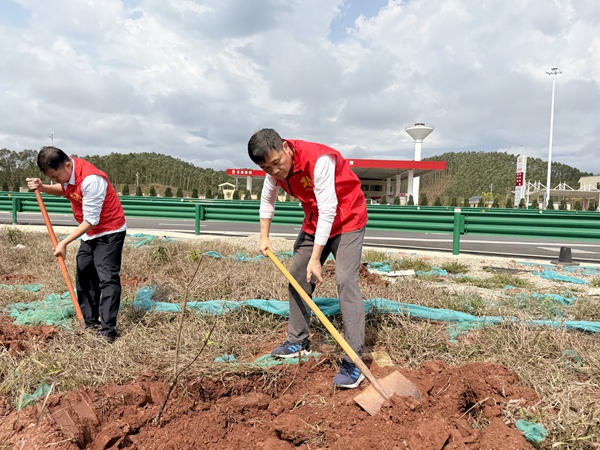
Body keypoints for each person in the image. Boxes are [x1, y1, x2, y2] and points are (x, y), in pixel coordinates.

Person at [248, 128, 368, 389]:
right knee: (297, 276)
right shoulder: (273, 171)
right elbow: (267, 200)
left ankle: (354, 358)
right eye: (267, 168)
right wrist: (264, 236)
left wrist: (316, 258)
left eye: (277, 163)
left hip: (347, 218)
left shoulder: (319, 160)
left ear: (287, 148)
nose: (275, 171)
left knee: (346, 280)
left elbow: (329, 209)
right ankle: (297, 339)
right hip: (316, 221)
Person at [27, 146, 127, 342]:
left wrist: (64, 242)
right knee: (85, 276)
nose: (55, 181)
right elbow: (64, 190)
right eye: (51, 178)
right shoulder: (67, 171)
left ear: (66, 165)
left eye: (55, 176)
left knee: (107, 279)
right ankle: (90, 324)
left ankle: (108, 331)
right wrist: (43, 188)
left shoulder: (91, 180)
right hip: (89, 234)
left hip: (109, 231)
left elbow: (92, 220)